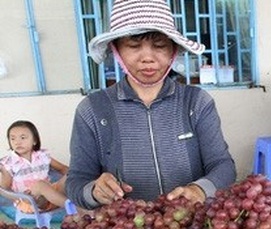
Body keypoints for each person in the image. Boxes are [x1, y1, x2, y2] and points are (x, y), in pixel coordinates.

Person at [66, 0, 236, 210]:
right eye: (134, 46)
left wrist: (199, 190)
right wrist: (94, 190)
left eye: (159, 46)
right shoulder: (92, 110)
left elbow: (223, 166)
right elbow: (76, 181)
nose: (147, 58)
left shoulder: (197, 102)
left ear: (173, 50)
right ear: (116, 49)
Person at [0, 120, 70, 213]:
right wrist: (20, 197)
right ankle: (72, 207)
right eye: (13, 139)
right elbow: (4, 189)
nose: (17, 142)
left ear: (34, 140)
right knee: (40, 185)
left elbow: (62, 168)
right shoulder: (9, 163)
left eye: (23, 138)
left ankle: (77, 201)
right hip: (30, 202)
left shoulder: (42, 156)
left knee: (72, 172)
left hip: (52, 195)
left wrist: (77, 175)